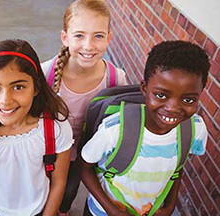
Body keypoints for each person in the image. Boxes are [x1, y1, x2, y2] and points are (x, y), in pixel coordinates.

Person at [78, 40, 210, 216]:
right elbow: (84, 166)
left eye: (188, 100)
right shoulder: (115, 130)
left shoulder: (195, 130)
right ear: (144, 88)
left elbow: (176, 168)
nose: (172, 108)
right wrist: (112, 211)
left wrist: (169, 207)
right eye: (161, 95)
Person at [0, 39, 73, 216]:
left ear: (36, 88)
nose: (6, 101)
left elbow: (58, 183)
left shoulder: (56, 127)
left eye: (18, 87)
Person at [41, 0, 127, 215]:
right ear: (65, 37)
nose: (89, 46)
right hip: (45, 154)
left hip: (86, 158)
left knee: (67, 193)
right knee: (41, 195)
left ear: (108, 38)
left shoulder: (116, 79)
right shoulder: (44, 74)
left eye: (98, 36)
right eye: (79, 35)